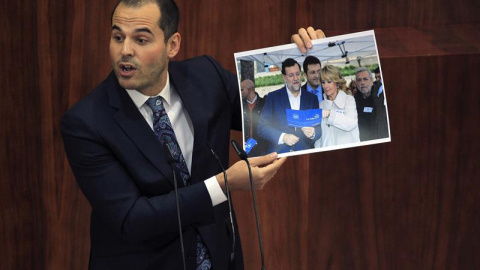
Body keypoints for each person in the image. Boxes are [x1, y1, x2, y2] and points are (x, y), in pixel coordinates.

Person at [60, 1, 287, 269]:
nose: (125, 51)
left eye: (141, 39)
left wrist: (309, 50)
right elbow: (131, 218)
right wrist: (223, 184)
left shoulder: (207, 76)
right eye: (117, 37)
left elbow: (273, 114)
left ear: (172, 45)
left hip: (220, 257)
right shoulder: (86, 122)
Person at [257, 58, 321, 154]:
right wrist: (283, 137)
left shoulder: (312, 98)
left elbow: (319, 128)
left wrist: (313, 133)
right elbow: (261, 127)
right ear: (284, 77)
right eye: (291, 75)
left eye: (297, 74)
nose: (295, 78)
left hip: (304, 154)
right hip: (279, 154)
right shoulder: (273, 97)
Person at [314, 65, 360, 147]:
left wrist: (330, 114)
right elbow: (320, 136)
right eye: (323, 82)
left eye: (329, 82)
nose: (325, 86)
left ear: (337, 83)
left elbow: (351, 123)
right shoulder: (321, 105)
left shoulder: (349, 100)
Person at [353, 67, 389, 141]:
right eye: (359, 80)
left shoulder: (381, 97)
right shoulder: (353, 100)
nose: (362, 83)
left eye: (365, 79)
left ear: (372, 80)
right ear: (356, 83)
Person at [240, 79, 268, 157]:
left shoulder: (264, 103)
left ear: (249, 90)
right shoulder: (240, 106)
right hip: (247, 149)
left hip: (263, 147)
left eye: (242, 90)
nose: (240, 92)